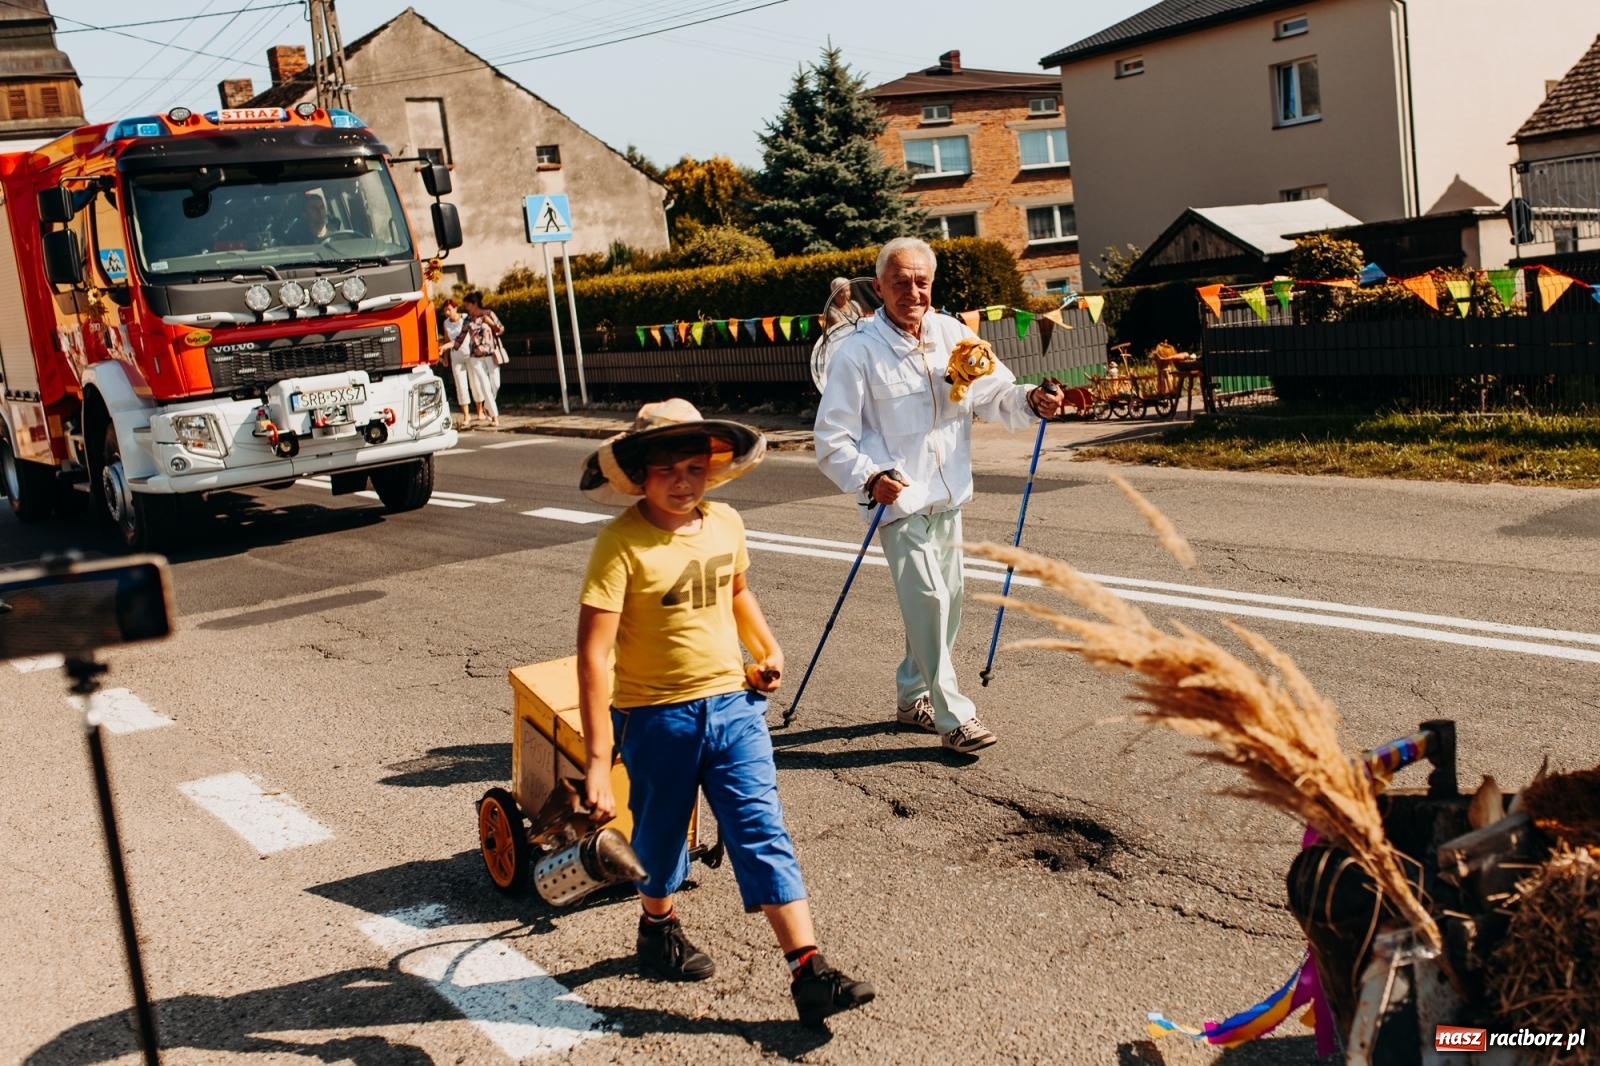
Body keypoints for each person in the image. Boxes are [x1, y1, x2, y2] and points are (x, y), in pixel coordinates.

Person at [575, 399, 874, 1028]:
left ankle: (808, 970)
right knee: (658, 840)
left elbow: (736, 591)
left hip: (735, 708)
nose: (683, 482)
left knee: (760, 829)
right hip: (656, 718)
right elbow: (594, 657)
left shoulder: (726, 523)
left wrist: (766, 649)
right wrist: (598, 763)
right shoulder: (619, 543)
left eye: (695, 467)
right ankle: (657, 928)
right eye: (667, 470)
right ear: (638, 473)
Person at [813, 236, 1064, 755]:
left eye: (921, 281)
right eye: (900, 281)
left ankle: (912, 699)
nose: (912, 290)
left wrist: (1033, 400)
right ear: (879, 286)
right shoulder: (858, 352)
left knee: (945, 605)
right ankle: (954, 717)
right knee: (928, 599)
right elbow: (832, 438)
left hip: (949, 496)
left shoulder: (952, 333)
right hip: (897, 499)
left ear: (932, 284)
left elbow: (995, 393)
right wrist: (868, 476)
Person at [461, 291, 504, 428]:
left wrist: (490, 323)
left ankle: (488, 406)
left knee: (495, 384)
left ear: (474, 304)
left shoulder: (489, 313)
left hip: (491, 354)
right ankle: (495, 417)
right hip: (475, 357)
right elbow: (460, 337)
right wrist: (445, 347)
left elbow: (500, 329)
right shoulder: (468, 320)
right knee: (485, 386)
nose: (466, 308)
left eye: (467, 305)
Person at [440, 300, 472, 427]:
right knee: (460, 385)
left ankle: (481, 410)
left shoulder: (465, 318)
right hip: (456, 356)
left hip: (470, 354)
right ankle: (466, 414)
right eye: (445, 310)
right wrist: (446, 356)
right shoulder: (446, 323)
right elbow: (447, 339)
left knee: (475, 383)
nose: (447, 312)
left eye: (449, 309)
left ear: (455, 308)